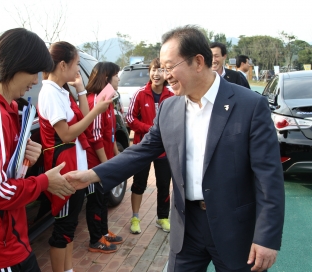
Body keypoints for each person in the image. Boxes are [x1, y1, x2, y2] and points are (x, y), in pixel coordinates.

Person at [66, 25, 285, 272]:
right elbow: (141, 151)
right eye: (161, 67)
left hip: (235, 229)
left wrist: (266, 238)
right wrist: (93, 175)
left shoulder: (249, 106)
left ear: (199, 61)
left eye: (170, 67)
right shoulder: (169, 109)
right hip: (187, 228)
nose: (165, 74)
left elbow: (269, 177)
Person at [0, 28, 77, 272]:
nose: (36, 81)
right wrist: (44, 182)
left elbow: (1, 172)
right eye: (33, 72)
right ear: (16, 65)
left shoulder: (7, 108)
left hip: (9, 238)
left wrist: (23, 159)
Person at [37, 41, 111, 272]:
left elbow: (81, 118)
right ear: (62, 65)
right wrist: (96, 111)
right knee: (63, 229)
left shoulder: (60, 90)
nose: (78, 69)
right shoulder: (49, 92)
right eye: (76, 64)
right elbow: (67, 134)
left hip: (73, 166)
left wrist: (79, 89)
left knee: (69, 227)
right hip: (63, 170)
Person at [126, 58, 173, 234]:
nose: (157, 73)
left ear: (166, 74)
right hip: (142, 148)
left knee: (163, 184)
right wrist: (150, 130)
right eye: (154, 69)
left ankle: (162, 218)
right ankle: (135, 217)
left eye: (161, 70)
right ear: (149, 72)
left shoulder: (172, 95)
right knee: (139, 184)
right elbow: (130, 118)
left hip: (164, 149)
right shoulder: (140, 93)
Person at [85, 62, 124, 253]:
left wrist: (116, 155)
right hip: (96, 164)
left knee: (103, 200)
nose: (118, 78)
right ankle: (95, 240)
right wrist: (105, 164)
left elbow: (110, 133)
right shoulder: (95, 101)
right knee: (96, 201)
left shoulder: (108, 100)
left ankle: (103, 232)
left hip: (105, 161)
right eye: (116, 75)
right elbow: (95, 136)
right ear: (106, 78)